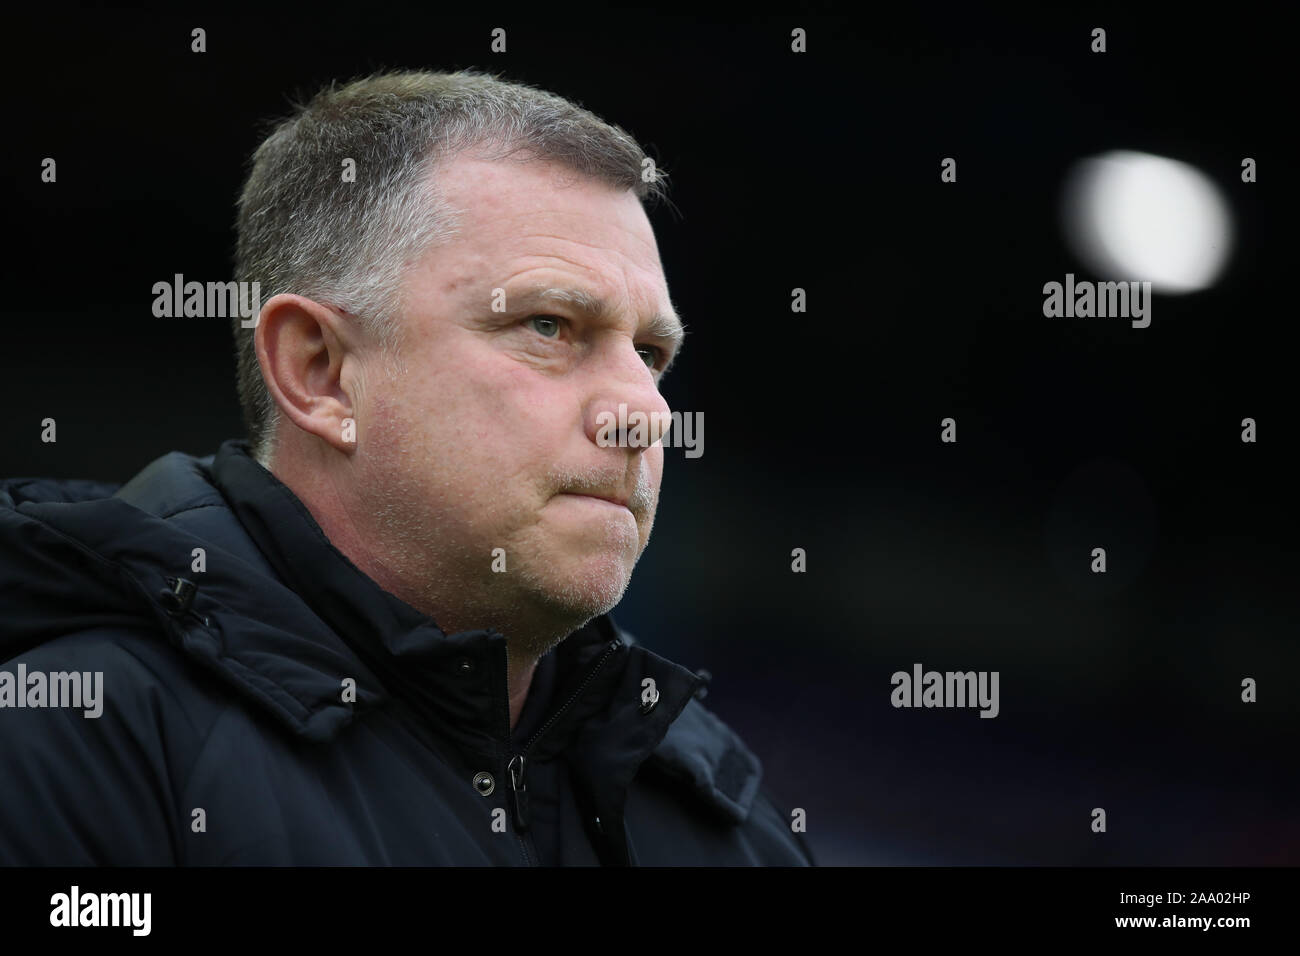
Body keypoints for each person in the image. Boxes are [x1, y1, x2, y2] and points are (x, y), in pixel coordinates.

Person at [0, 70, 813, 866]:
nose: (646, 411)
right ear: (320, 372)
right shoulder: (68, 749)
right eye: (549, 325)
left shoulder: (730, 821)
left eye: (651, 353)